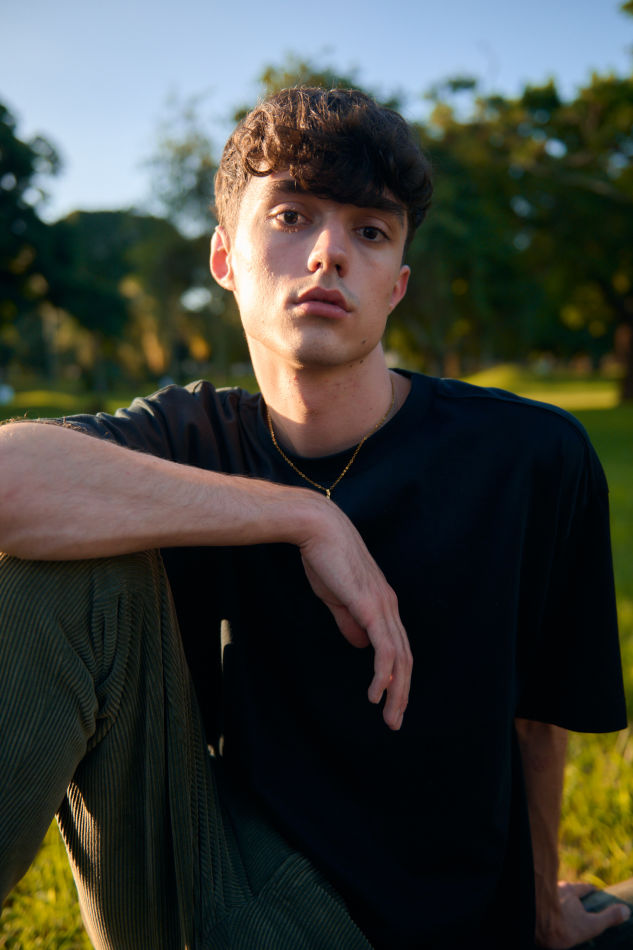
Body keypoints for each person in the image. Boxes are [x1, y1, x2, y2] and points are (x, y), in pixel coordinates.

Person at [0, 86, 630, 950]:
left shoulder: (529, 456)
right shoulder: (188, 438)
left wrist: (542, 912)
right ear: (224, 258)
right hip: (219, 893)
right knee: (69, 558)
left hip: (441, 924)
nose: (329, 254)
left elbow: (538, 719)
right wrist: (305, 517)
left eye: (368, 232)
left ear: (396, 285)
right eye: (292, 217)